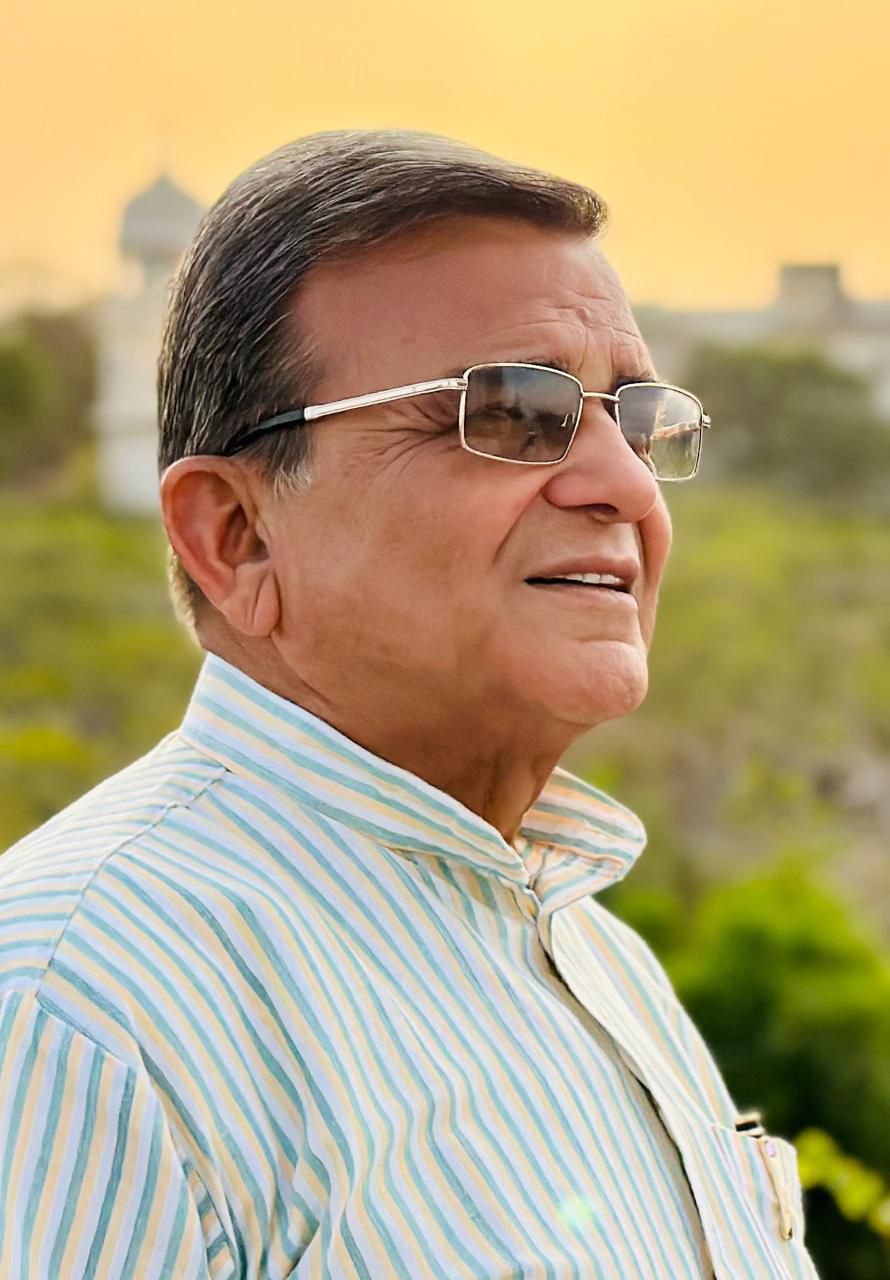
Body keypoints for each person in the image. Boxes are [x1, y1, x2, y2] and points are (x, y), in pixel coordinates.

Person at [0, 130, 818, 1279]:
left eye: (636, 420)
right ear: (235, 536)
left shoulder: (592, 955)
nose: (625, 484)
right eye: (513, 411)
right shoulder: (80, 1005)